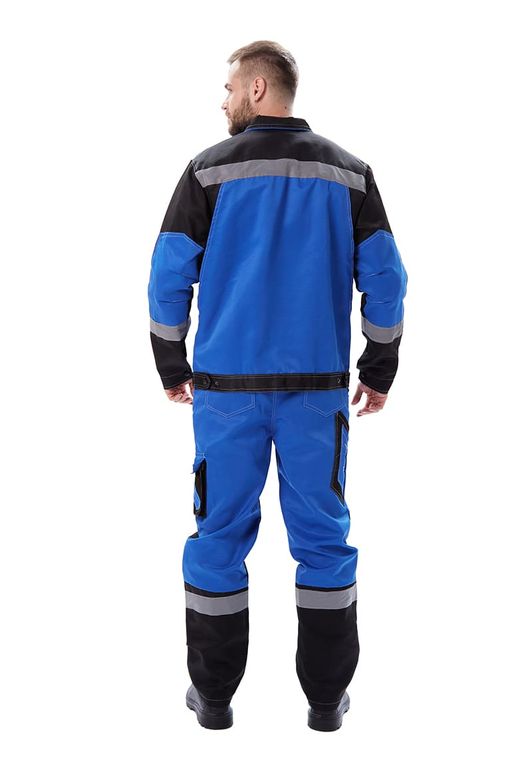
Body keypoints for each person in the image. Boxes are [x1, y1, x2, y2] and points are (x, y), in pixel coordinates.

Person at [147, 40, 408, 731]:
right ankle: (325, 703)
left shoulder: (207, 170)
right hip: (316, 398)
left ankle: (213, 700)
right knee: (324, 542)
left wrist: (170, 363)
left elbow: (169, 273)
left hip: (226, 396)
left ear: (259, 89)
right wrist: (379, 368)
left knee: (218, 539)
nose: (224, 100)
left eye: (230, 87)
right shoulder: (350, 174)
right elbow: (386, 279)